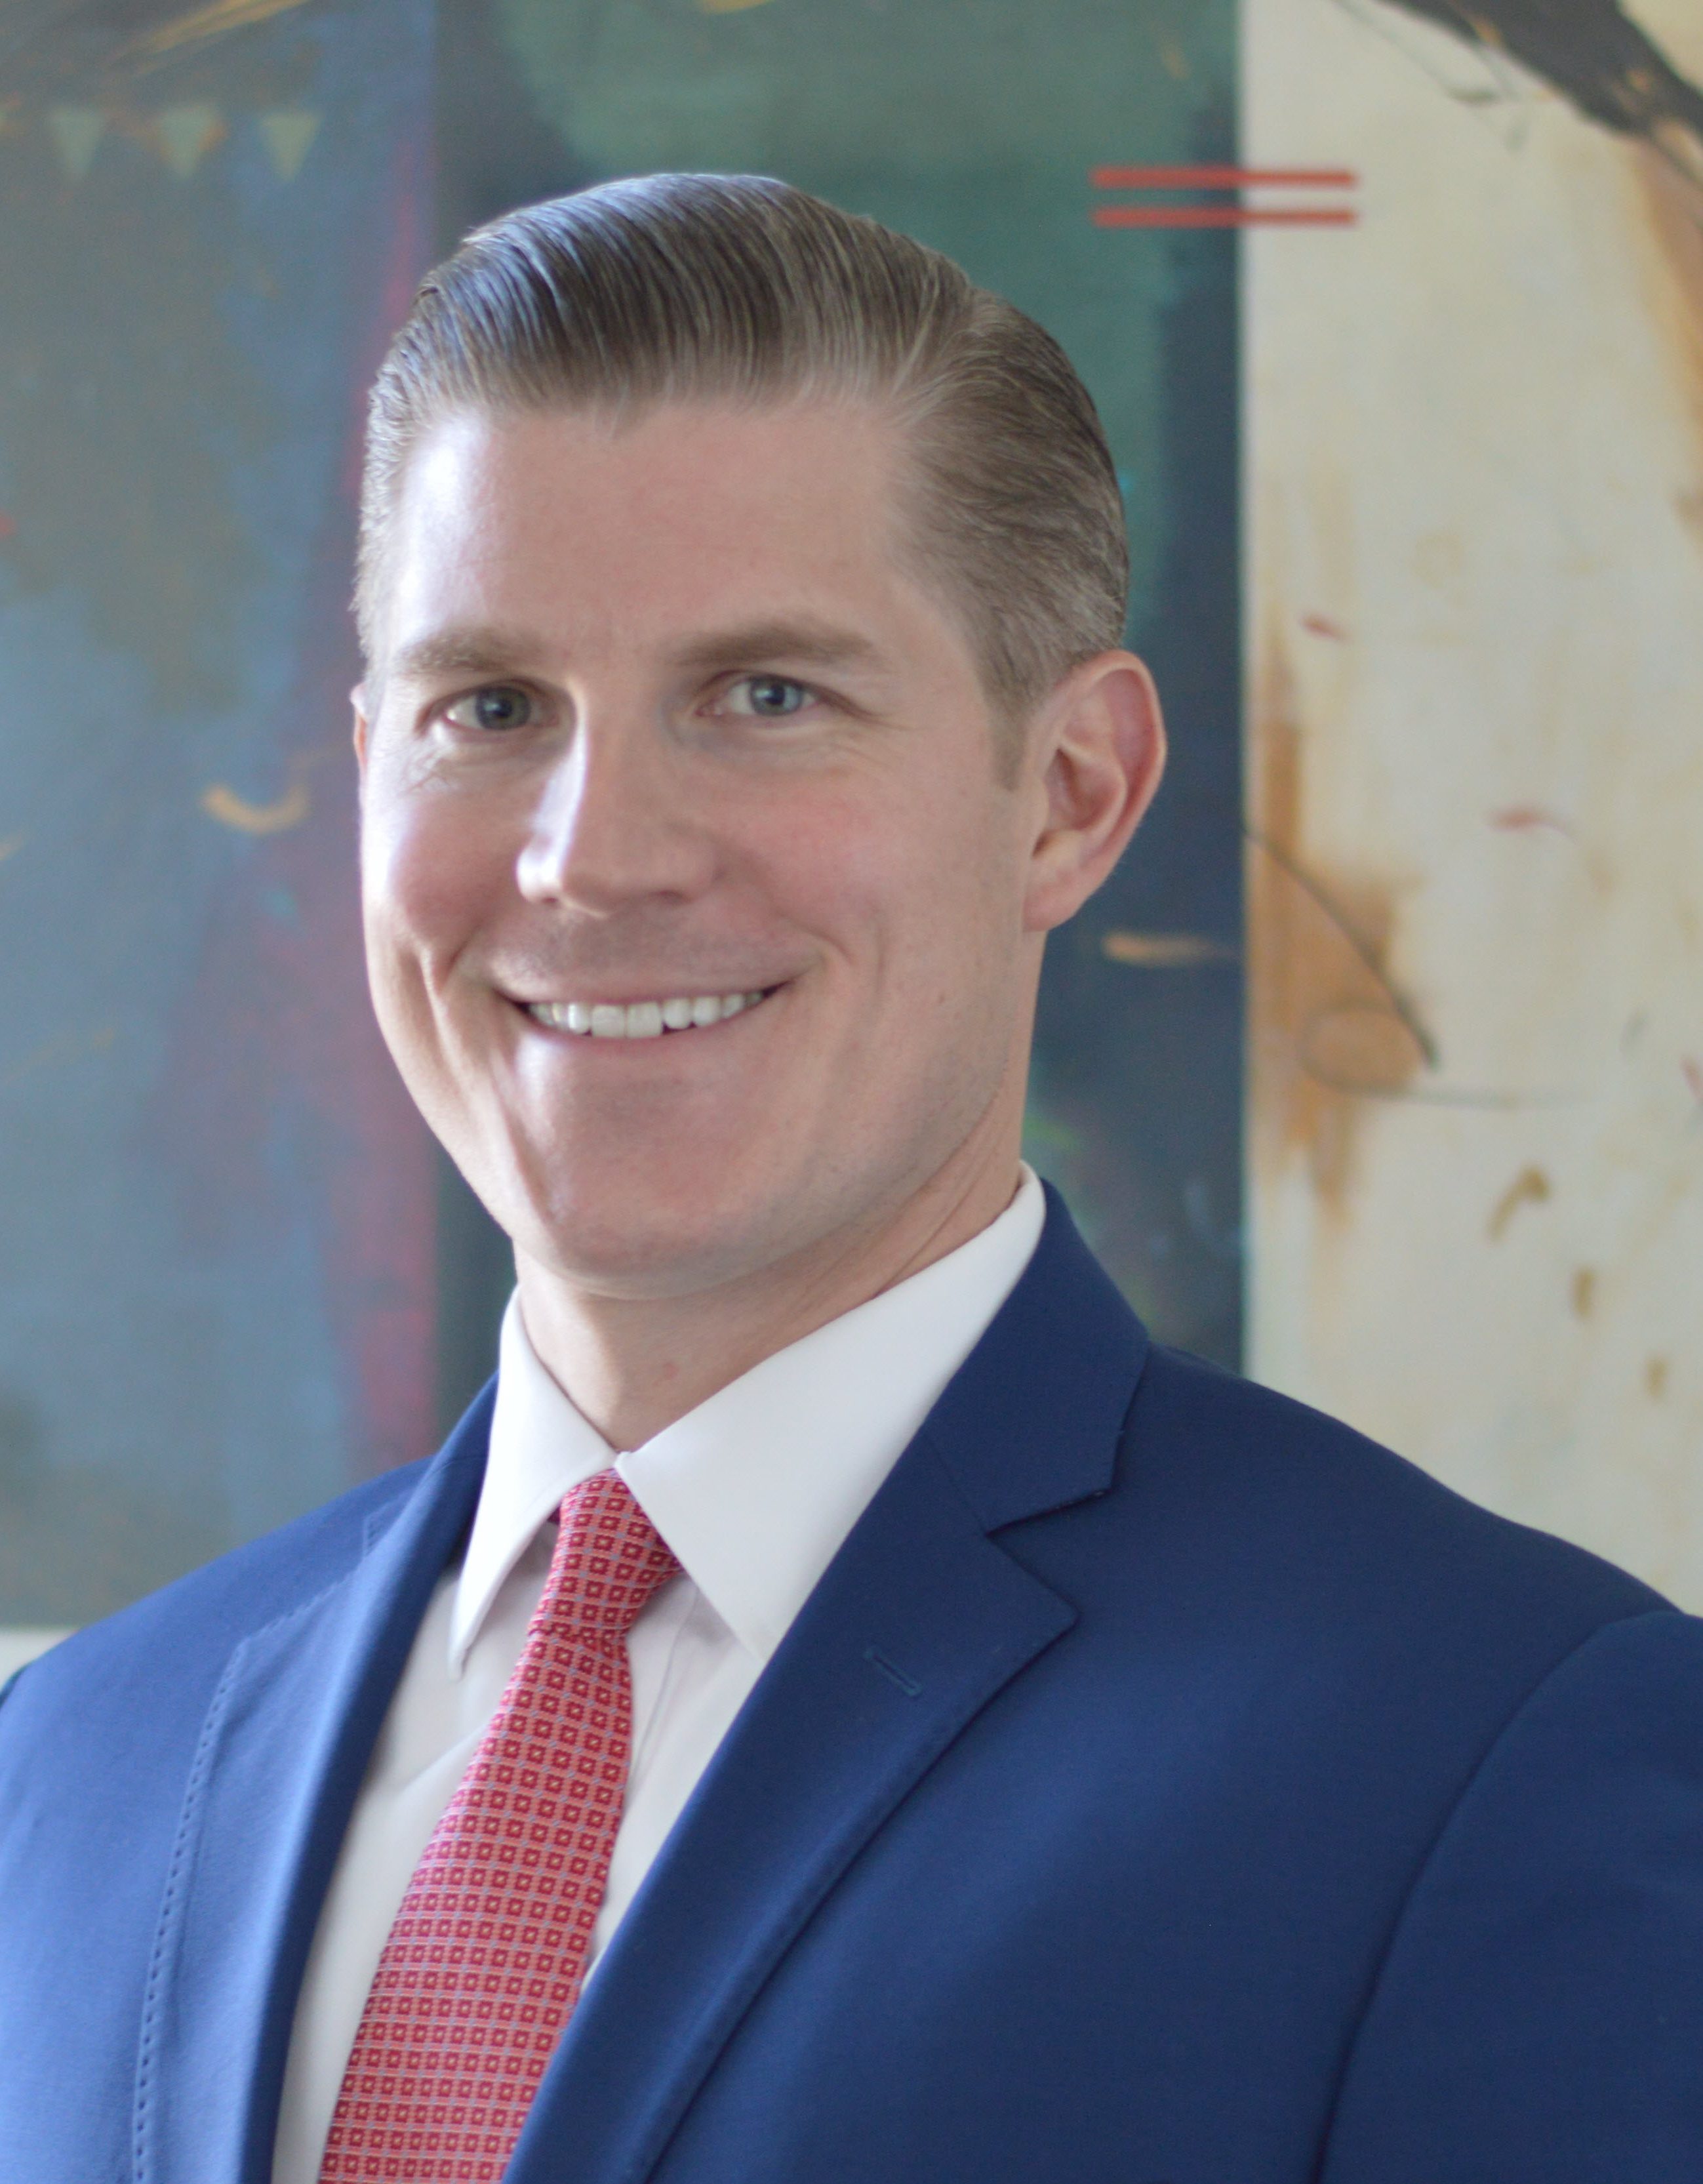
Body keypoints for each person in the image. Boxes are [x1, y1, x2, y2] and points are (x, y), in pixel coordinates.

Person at [1, 173, 1699, 2184]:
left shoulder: (1489, 1754)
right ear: (371, 770)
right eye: (494, 707)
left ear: (1070, 793)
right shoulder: (73, 1767)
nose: (590, 856)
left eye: (766, 696)